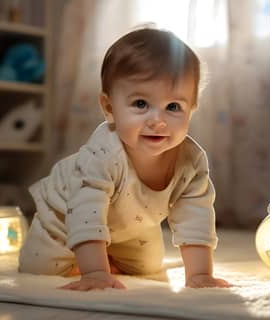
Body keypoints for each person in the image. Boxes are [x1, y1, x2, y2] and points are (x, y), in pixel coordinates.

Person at [19, 28, 230, 290]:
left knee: (149, 266)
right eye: (141, 104)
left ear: (192, 110)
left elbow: (195, 215)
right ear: (109, 108)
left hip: (132, 226)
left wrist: (199, 275)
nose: (157, 121)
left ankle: (107, 254)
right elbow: (86, 212)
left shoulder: (191, 160)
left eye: (173, 107)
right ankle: (94, 259)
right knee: (39, 269)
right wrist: (95, 273)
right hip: (64, 215)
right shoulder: (103, 154)